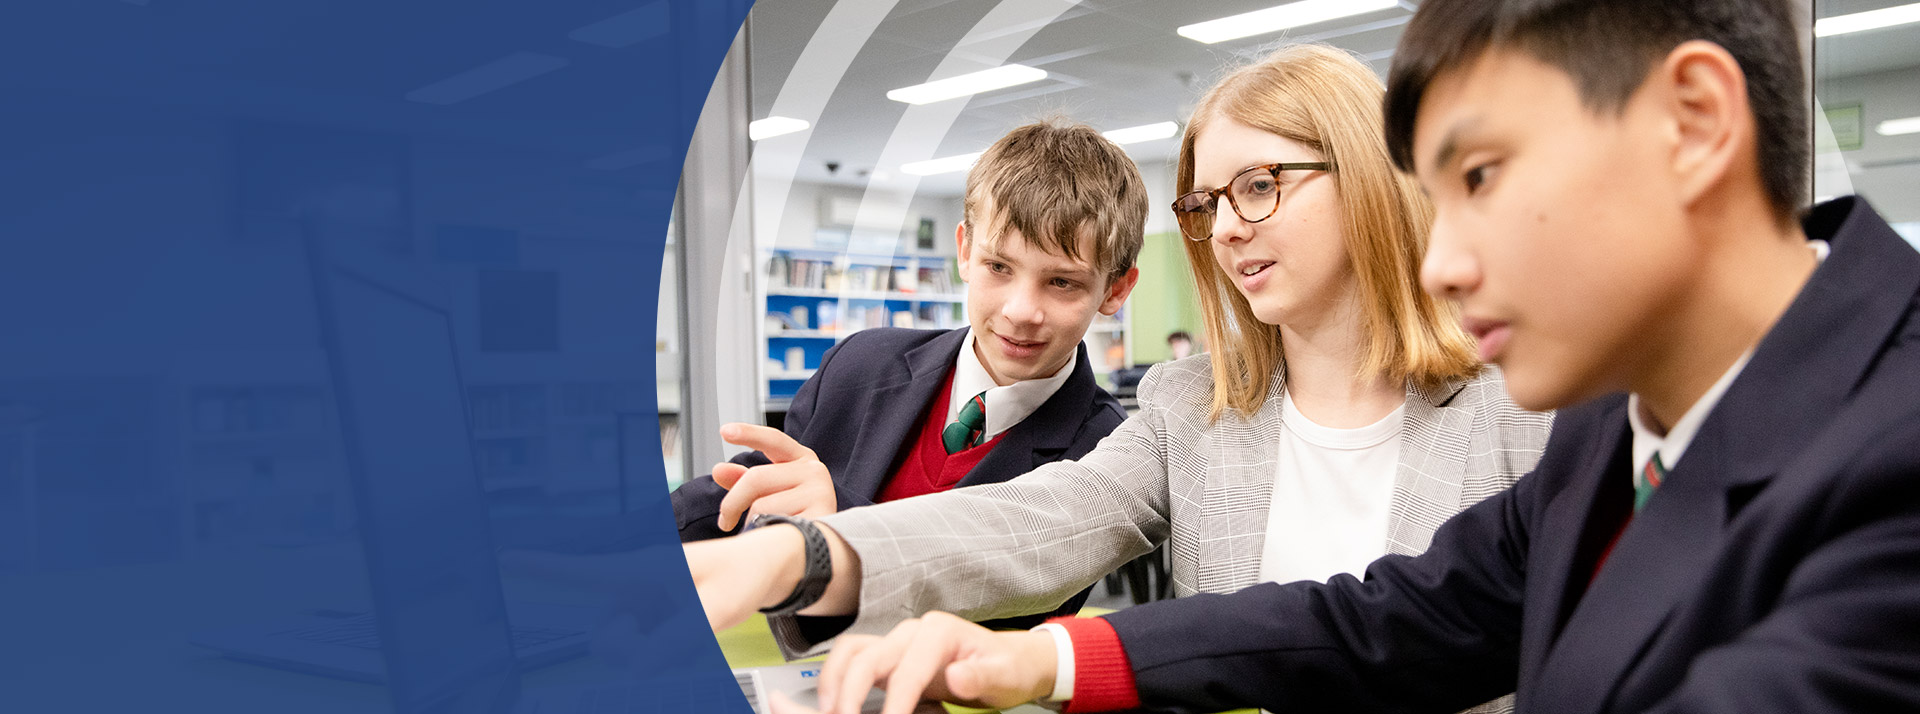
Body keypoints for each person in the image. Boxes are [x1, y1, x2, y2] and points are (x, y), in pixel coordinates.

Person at [789, 1, 1920, 713]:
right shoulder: (1612, 435)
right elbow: (1379, 622)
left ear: (1692, 124)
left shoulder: (1892, 446)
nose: (1442, 263)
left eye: (1478, 178)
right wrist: (1048, 663)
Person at [684, 43, 1551, 714]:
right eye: (1208, 204)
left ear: (1367, 176)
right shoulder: (1194, 407)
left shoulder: (1523, 407)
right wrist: (796, 558)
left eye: (1259, 186)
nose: (1229, 229)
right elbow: (1035, 520)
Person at [671, 120, 1145, 545]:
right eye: (998, 266)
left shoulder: (1108, 453)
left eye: (1061, 282)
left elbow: (996, 591)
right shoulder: (860, 365)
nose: (1021, 311)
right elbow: (754, 488)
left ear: (1115, 290)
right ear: (964, 251)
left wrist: (835, 521)